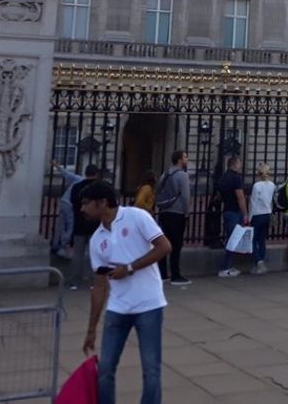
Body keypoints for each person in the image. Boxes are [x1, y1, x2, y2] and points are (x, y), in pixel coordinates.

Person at [80, 180, 172, 404]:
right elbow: (100, 285)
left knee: (151, 369)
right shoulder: (97, 239)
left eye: (86, 203)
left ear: (102, 202)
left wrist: (130, 267)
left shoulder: (136, 217)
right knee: (106, 367)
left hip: (148, 304)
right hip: (118, 307)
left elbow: (164, 246)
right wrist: (91, 328)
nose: (82, 208)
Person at [154, 150, 191, 286]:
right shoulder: (182, 175)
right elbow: (186, 197)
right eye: (185, 157)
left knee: (164, 243)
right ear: (180, 160)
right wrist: (187, 212)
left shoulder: (166, 173)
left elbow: (158, 189)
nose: (187, 159)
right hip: (177, 213)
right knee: (176, 245)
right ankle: (175, 274)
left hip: (165, 211)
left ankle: (163, 273)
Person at [67, 170, 103, 290]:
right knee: (95, 254)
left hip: (79, 224)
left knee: (78, 254)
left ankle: (74, 282)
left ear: (85, 173)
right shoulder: (99, 187)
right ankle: (94, 281)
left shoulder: (77, 187)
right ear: (96, 174)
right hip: (95, 225)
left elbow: (73, 204)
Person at [51, 161, 92, 257]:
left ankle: (55, 244)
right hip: (69, 204)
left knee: (60, 225)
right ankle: (64, 246)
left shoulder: (78, 178)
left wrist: (57, 166)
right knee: (70, 225)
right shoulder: (85, 183)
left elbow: (66, 174)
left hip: (64, 201)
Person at [217, 156, 247, 278]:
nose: (240, 166)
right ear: (235, 164)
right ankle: (226, 267)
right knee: (232, 240)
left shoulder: (223, 178)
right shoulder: (236, 178)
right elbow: (240, 197)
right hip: (235, 211)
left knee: (230, 238)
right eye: (239, 163)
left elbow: (219, 196)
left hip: (227, 210)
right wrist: (245, 213)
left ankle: (228, 265)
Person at [249, 164, 275, 274]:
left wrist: (249, 217)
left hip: (257, 214)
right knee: (262, 239)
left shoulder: (257, 185)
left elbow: (253, 202)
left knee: (253, 240)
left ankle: (258, 261)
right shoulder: (272, 185)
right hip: (267, 213)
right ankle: (262, 260)